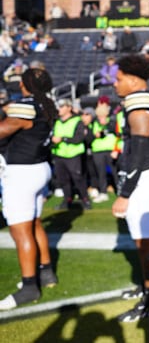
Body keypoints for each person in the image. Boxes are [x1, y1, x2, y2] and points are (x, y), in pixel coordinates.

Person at [111, 54, 149, 322]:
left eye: (119, 78)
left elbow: (140, 147)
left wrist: (125, 193)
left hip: (144, 174)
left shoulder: (139, 100)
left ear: (134, 80)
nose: (115, 83)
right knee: (142, 240)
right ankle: (148, 288)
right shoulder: (144, 98)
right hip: (147, 172)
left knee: (145, 242)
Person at [0, 68, 59, 310]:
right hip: (39, 167)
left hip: (22, 171)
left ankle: (29, 287)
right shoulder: (46, 103)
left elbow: (4, 130)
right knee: (34, 223)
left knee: (20, 230)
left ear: (25, 85)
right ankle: (46, 273)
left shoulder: (25, 104)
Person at [51, 99, 92, 211]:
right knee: (63, 180)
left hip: (73, 154)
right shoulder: (57, 121)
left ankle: (85, 199)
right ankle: (67, 200)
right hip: (59, 154)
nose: (59, 109)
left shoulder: (77, 121)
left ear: (69, 108)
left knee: (78, 179)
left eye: (62, 106)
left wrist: (63, 139)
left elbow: (79, 138)